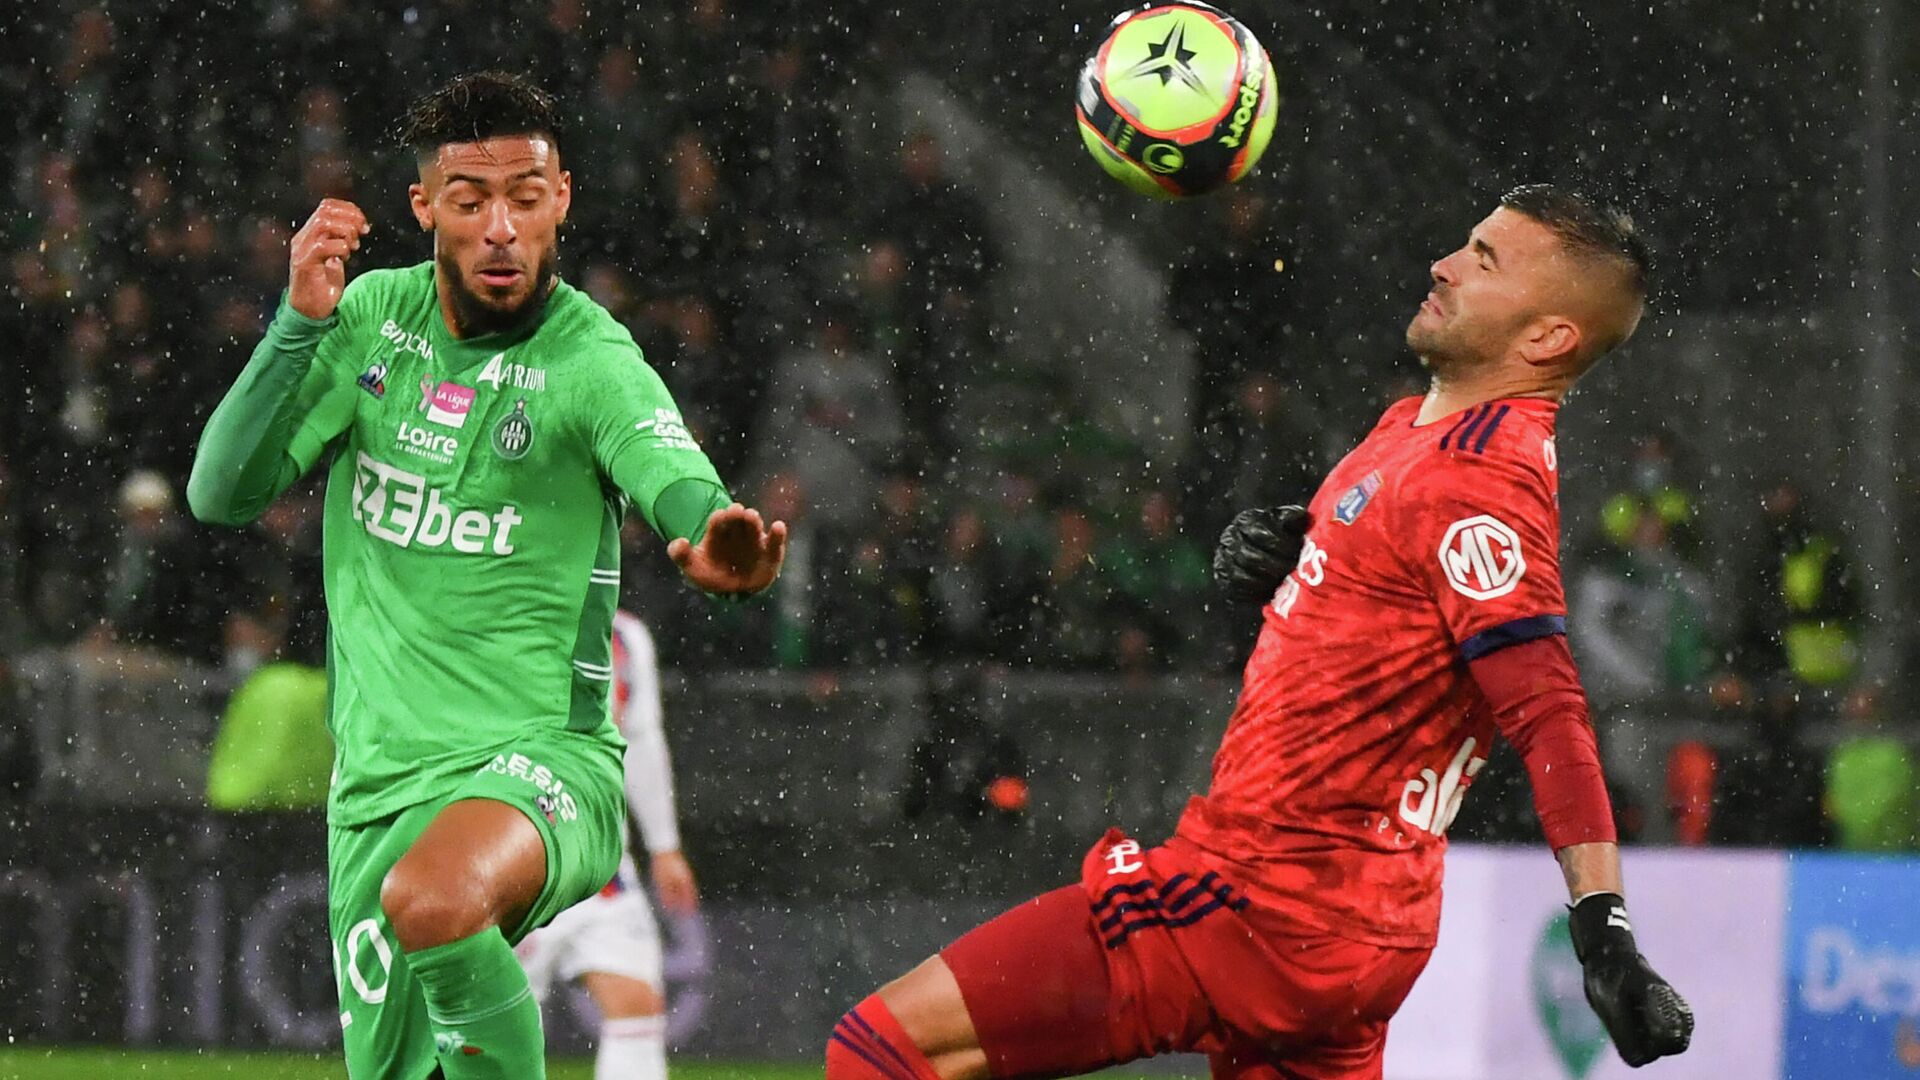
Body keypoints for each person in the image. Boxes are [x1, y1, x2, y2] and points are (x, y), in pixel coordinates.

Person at [824, 186, 1692, 1079]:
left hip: (1264, 899)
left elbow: (1549, 715)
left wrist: (1604, 933)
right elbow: (1396, 613)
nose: (1445, 264)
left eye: (1485, 261)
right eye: (1466, 243)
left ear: (1548, 338)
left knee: (881, 1048)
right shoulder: (1414, 431)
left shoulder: (1479, 482)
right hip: (1355, 924)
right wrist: (1298, 558)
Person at [186, 72, 785, 1080]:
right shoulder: (372, 321)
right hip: (376, 791)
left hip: (543, 765)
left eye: (525, 195)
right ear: (426, 209)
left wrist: (711, 529)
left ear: (563, 198)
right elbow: (219, 492)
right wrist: (294, 324)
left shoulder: (591, 357)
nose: (500, 227)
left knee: (435, 897)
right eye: (470, 200)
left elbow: (670, 469)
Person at [516, 610, 700, 1080]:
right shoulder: (504, 613)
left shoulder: (625, 636)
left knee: (637, 1002)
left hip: (604, 867)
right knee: (504, 1024)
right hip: (518, 858)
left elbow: (640, 739)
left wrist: (664, 846)